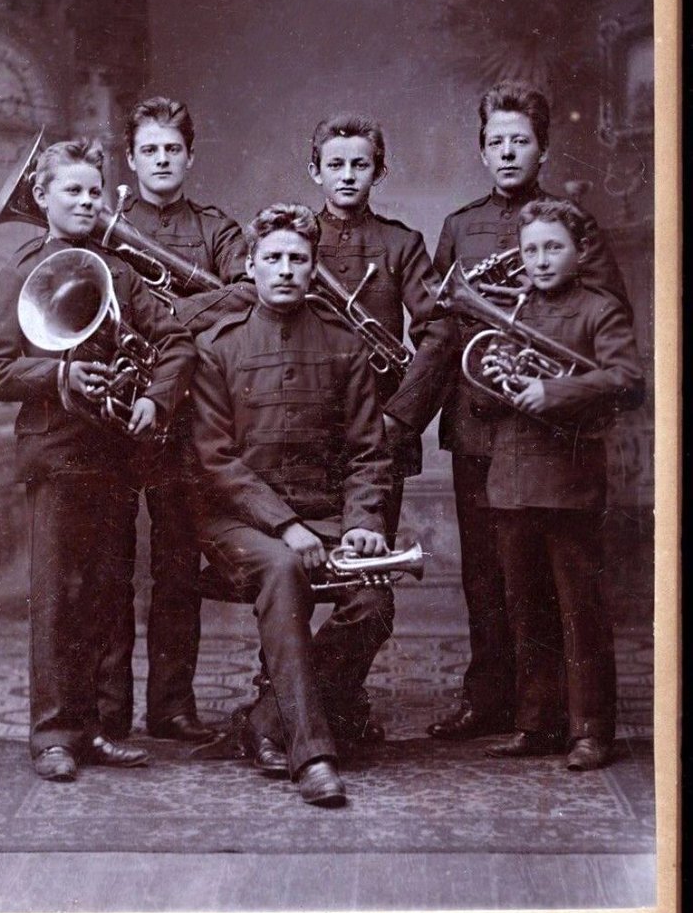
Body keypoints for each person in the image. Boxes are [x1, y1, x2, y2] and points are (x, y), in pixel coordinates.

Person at [0, 138, 197, 781]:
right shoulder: (20, 272)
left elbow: (176, 339)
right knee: (58, 599)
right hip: (57, 454)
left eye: (94, 191)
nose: (86, 201)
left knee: (108, 593)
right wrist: (57, 375)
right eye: (71, 190)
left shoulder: (118, 271)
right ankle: (54, 737)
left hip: (116, 454)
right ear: (41, 197)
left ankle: (99, 729)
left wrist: (154, 398)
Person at [426, 80, 632, 742]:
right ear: (482, 151)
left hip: (550, 425)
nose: (508, 152)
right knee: (490, 578)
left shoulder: (571, 226)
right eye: (497, 142)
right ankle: (492, 700)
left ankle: (567, 714)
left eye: (520, 140)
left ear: (542, 148)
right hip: (479, 418)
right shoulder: (458, 225)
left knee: (559, 582)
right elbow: (440, 322)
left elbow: (601, 314)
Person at [189, 204, 395, 807]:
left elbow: (368, 452)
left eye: (298, 259)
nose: (285, 270)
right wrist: (285, 525)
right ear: (250, 266)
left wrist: (361, 524)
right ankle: (313, 756)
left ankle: (266, 721)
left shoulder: (344, 344)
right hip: (238, 523)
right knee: (283, 570)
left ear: (312, 267)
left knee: (374, 601)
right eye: (273, 258)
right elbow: (216, 460)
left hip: (326, 518)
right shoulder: (216, 346)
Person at [480, 200, 643, 769]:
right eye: (531, 250)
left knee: (580, 611)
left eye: (553, 248)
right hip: (511, 479)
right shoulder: (514, 306)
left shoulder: (600, 309)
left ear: (579, 252)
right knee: (525, 610)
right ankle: (537, 723)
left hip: (570, 484)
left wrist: (553, 391)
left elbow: (627, 380)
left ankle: (590, 730)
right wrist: (498, 379)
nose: (541, 260)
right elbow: (484, 396)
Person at [108, 96, 248, 744]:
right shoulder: (105, 223)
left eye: (172, 149)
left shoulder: (218, 230)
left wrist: (166, 319)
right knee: (109, 568)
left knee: (175, 566)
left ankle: (171, 706)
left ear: (190, 157)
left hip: (187, 415)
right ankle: (108, 709)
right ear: (130, 159)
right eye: (149, 150)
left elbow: (245, 295)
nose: (161, 160)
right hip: (115, 412)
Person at [306, 113, 443, 740]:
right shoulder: (295, 237)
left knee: (365, 579)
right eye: (334, 164)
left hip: (377, 439)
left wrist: (399, 418)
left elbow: (439, 333)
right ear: (314, 171)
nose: (347, 176)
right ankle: (283, 692)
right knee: (295, 574)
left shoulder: (401, 244)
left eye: (359, 164)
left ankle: (338, 701)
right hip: (299, 435)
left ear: (379, 172)